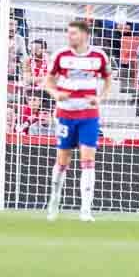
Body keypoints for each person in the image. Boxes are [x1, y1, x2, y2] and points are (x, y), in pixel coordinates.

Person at [43, 19, 112, 222]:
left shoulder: (98, 56)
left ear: (84, 35)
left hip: (89, 114)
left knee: (88, 160)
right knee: (63, 161)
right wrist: (56, 94)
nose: (69, 36)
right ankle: (54, 201)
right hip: (65, 114)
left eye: (73, 33)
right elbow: (48, 81)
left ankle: (85, 210)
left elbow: (108, 80)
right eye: (68, 33)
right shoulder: (61, 56)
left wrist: (99, 98)